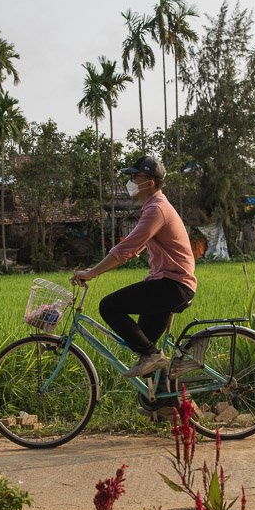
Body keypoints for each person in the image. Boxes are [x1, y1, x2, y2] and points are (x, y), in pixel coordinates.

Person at [71, 155, 196, 378]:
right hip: (168, 284)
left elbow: (126, 249)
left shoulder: (156, 209)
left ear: (149, 182)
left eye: (134, 176)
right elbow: (133, 249)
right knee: (146, 350)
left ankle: (152, 356)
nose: (129, 181)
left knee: (109, 307)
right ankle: (163, 404)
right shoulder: (154, 207)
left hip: (172, 286)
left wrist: (92, 273)